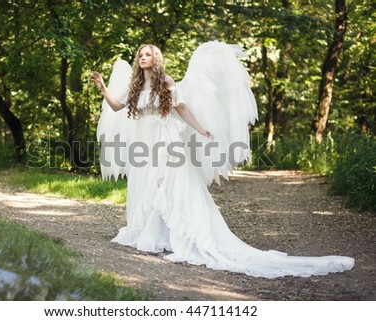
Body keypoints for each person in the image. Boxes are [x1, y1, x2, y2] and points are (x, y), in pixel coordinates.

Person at [91, 42, 354, 278]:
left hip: (165, 139)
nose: (143, 57)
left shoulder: (166, 81)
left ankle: (185, 235)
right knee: (146, 184)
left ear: (156, 59)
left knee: (173, 184)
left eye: (148, 54)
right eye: (140, 54)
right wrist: (103, 88)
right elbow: (117, 107)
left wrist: (200, 129)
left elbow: (182, 109)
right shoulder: (135, 86)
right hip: (143, 141)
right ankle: (152, 233)